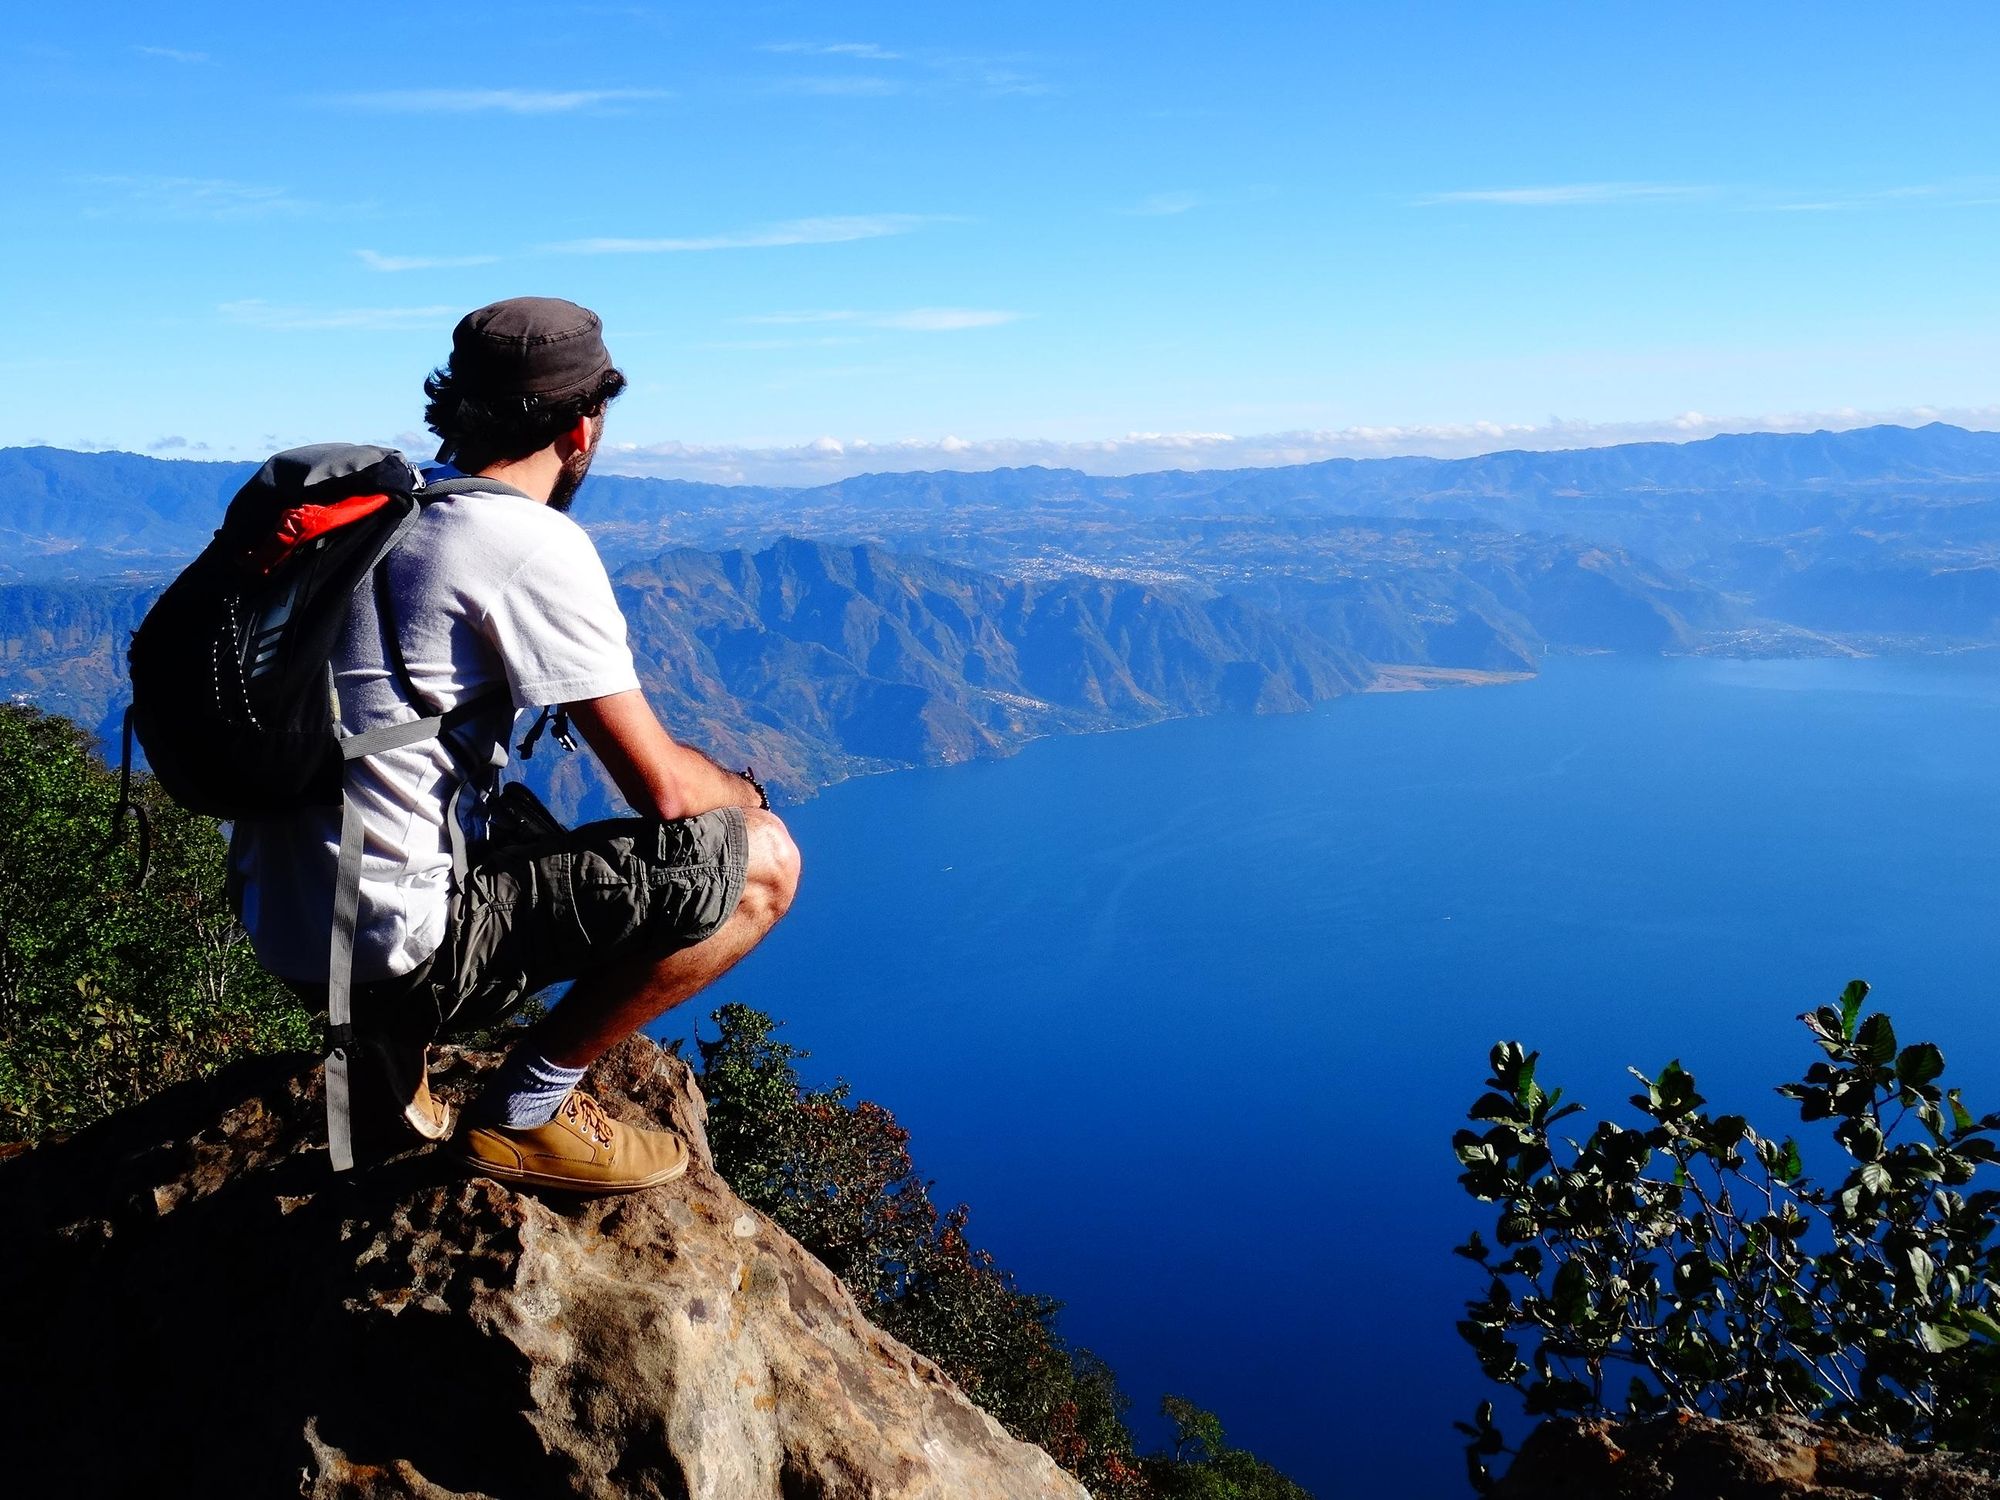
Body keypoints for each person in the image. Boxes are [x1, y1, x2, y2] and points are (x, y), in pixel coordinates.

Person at [229, 296, 801, 1192]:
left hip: (287, 925)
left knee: (518, 820)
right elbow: (665, 793)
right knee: (761, 862)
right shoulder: (524, 542)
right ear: (585, 425)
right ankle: (524, 1114)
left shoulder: (374, 515)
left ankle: (393, 1043)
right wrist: (744, 793)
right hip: (393, 949)